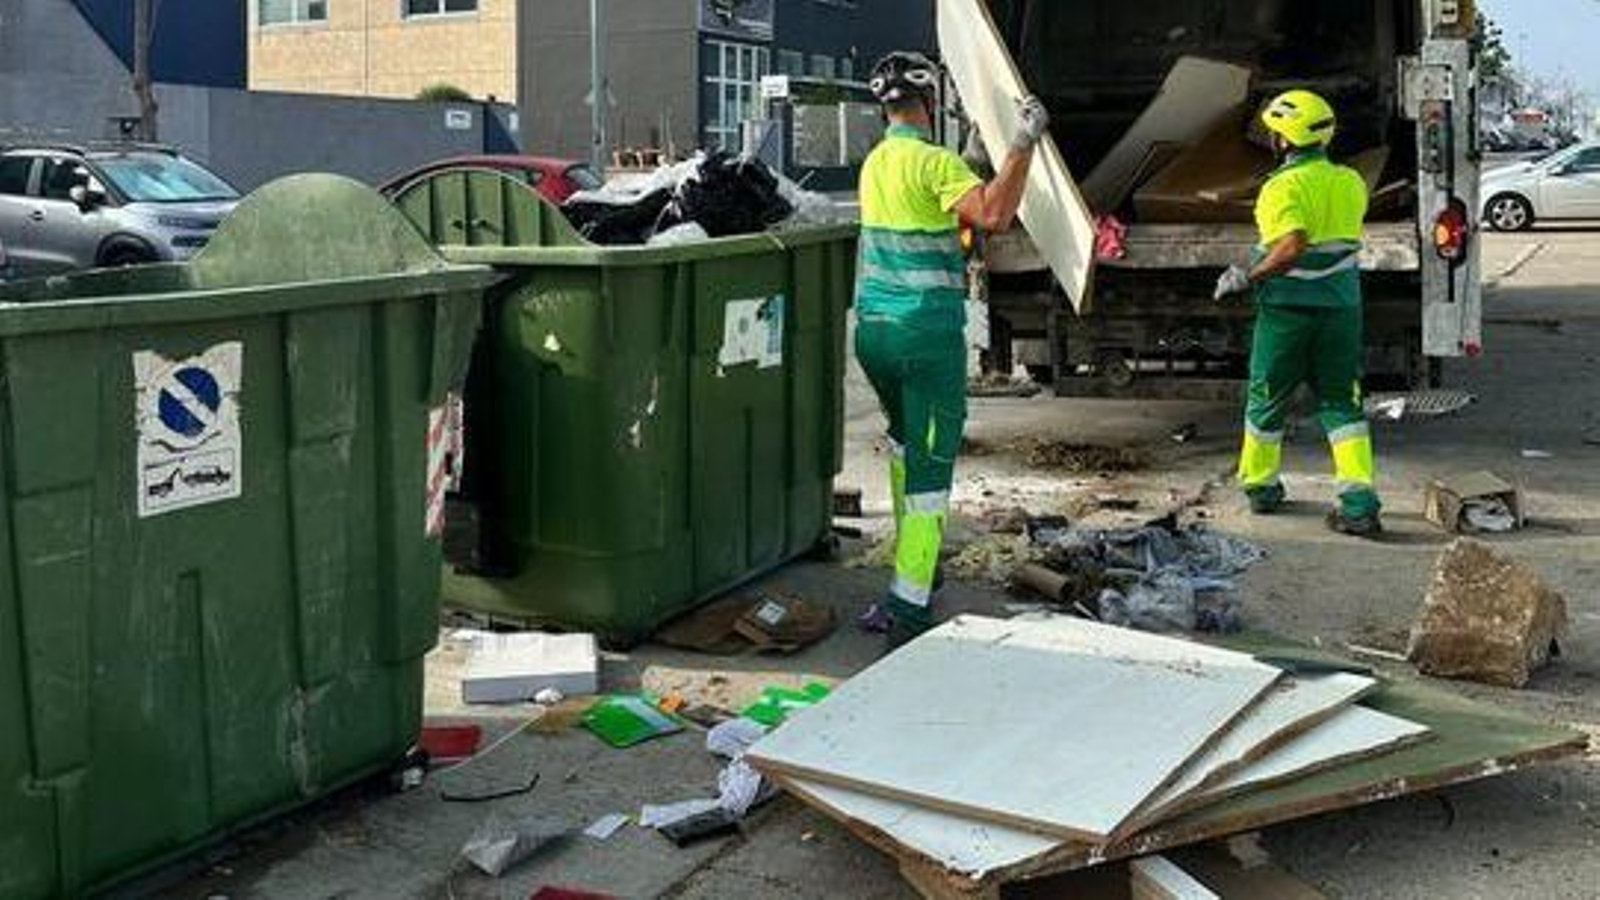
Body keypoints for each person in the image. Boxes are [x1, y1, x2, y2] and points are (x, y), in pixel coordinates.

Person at [855, 51, 1049, 649]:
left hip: (874, 335)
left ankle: (922, 560)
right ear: (929, 103)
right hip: (925, 338)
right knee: (932, 470)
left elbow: (942, 220)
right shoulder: (933, 163)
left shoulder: (876, 163)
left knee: (906, 442)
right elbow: (994, 214)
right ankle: (908, 605)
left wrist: (970, 163)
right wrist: (1021, 145)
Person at [1214, 89, 1382, 537]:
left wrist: (1248, 276)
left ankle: (1261, 488)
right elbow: (1333, 243)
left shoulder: (1280, 188)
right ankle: (1358, 500)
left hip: (1288, 315)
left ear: (1283, 140)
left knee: (1267, 400)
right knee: (1342, 404)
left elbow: (1291, 246)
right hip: (1342, 310)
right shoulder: (1350, 181)